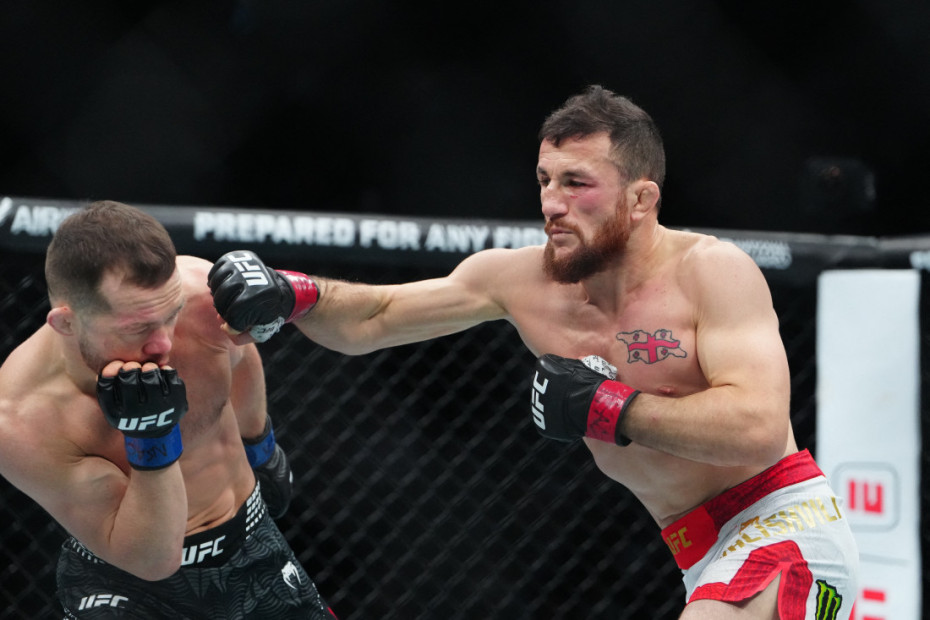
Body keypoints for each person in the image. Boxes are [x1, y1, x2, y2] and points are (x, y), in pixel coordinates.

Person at [208, 85, 859, 618]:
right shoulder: (520, 279)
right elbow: (376, 318)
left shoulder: (711, 271)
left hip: (784, 521)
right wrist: (294, 293)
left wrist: (609, 407)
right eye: (545, 180)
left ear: (641, 199)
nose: (552, 203)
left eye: (577, 183)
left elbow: (757, 428)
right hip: (696, 551)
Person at [0, 201, 337, 619]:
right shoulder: (18, 418)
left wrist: (260, 446)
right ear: (66, 324)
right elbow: (152, 560)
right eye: (139, 327)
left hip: (252, 548)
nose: (164, 343)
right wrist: (152, 437)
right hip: (126, 582)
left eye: (170, 316)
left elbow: (237, 351)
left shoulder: (197, 292)